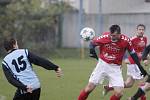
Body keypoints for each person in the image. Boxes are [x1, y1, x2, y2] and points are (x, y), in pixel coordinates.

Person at [77, 24, 147, 100]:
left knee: (119, 93)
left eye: (114, 35)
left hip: (115, 68)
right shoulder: (105, 37)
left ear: (119, 34)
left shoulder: (126, 41)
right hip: (102, 65)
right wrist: (92, 50)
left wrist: (140, 66)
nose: (111, 37)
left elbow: (133, 53)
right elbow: (92, 43)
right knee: (89, 88)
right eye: (111, 35)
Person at [103, 24, 148, 100]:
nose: (141, 31)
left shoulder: (145, 39)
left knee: (129, 83)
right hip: (133, 63)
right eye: (139, 29)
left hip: (137, 63)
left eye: (142, 30)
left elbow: (143, 51)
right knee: (142, 82)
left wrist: (145, 58)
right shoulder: (132, 39)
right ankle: (140, 98)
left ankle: (110, 87)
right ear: (136, 30)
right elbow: (124, 48)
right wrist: (124, 59)